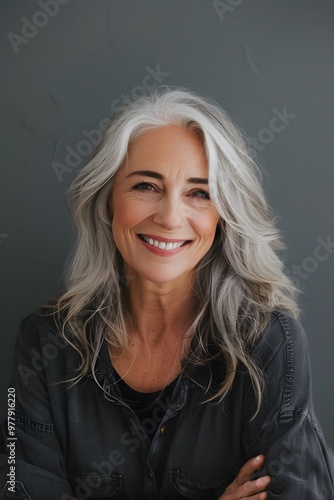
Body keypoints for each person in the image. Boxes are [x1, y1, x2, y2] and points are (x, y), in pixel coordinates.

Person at [0, 86, 333, 500]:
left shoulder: (269, 344)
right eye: (146, 186)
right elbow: (19, 487)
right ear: (107, 201)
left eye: (199, 193)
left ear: (223, 216)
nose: (171, 217)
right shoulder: (43, 344)